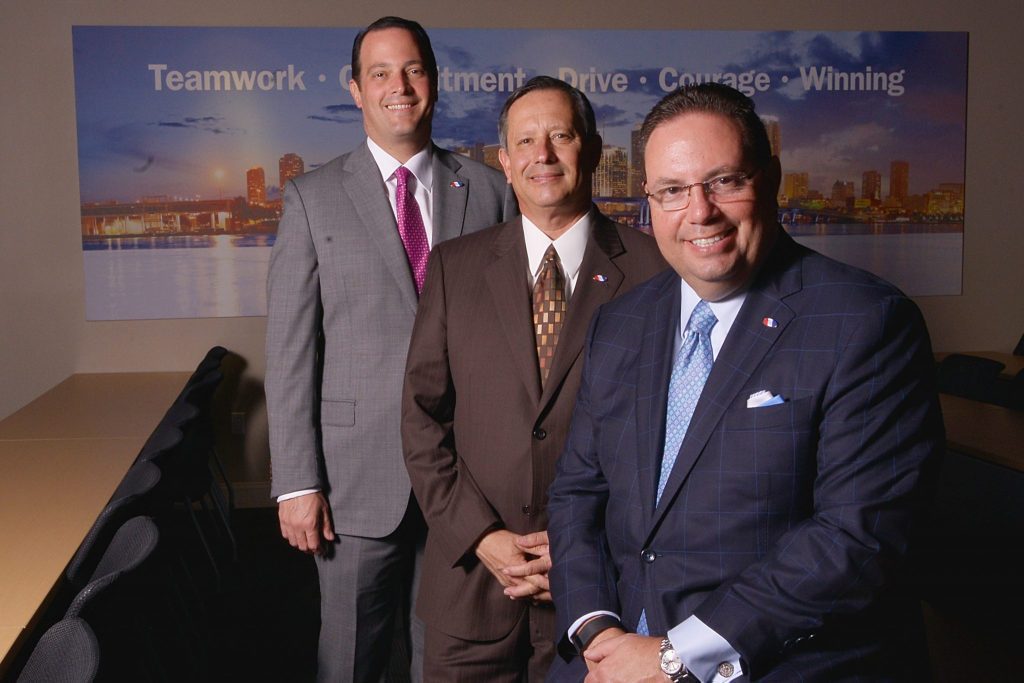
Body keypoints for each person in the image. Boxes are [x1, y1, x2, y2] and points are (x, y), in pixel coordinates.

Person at [546, 83, 943, 682]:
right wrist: (598, 633)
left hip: (783, 663)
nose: (699, 211)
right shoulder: (623, 323)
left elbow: (856, 538)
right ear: (648, 200)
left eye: (725, 181)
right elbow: (577, 493)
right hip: (618, 655)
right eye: (673, 191)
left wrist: (674, 659)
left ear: (771, 178)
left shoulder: (865, 321)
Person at [265, 16, 516, 682]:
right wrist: (297, 480)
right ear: (355, 89)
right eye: (380, 73)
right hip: (353, 480)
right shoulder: (311, 197)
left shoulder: (489, 190)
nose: (398, 86)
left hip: (468, 476)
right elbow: (290, 350)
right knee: (350, 657)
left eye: (412, 70)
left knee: (450, 656)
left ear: (434, 83)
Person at [401, 76, 667, 681]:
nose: (541, 155)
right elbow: (421, 418)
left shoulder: (656, 270)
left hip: (602, 595)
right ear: (505, 161)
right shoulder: (454, 267)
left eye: (560, 137)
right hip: (470, 584)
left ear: (593, 150)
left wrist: (582, 545)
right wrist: (482, 535)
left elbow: (669, 438)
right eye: (525, 141)